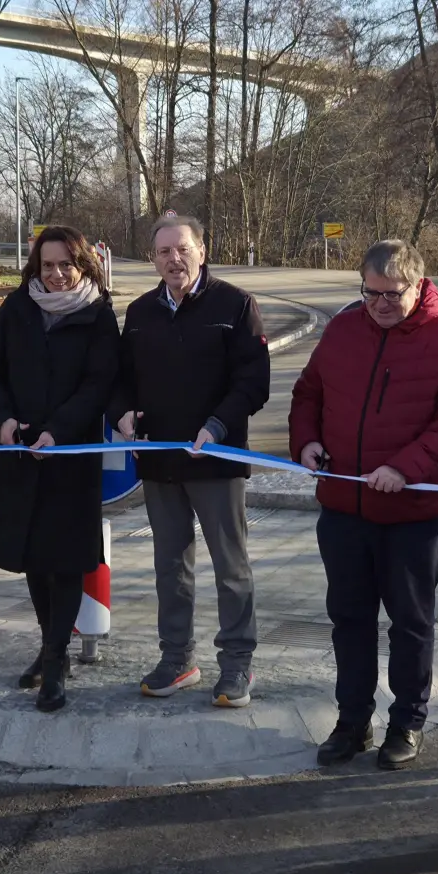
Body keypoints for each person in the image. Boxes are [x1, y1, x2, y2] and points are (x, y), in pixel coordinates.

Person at [290, 239, 438, 771]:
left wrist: (405, 468)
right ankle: (353, 721)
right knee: (349, 619)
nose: (376, 305)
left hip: (411, 516)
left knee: (410, 623)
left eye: (389, 295)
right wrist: (305, 441)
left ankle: (407, 721)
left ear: (418, 286)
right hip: (343, 509)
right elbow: (308, 393)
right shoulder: (343, 330)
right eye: (368, 293)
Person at [110, 215, 269, 705]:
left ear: (202, 249)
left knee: (231, 567)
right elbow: (120, 379)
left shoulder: (236, 306)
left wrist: (216, 427)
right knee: (170, 566)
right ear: (152, 258)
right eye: (163, 253)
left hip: (216, 459)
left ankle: (237, 664)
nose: (173, 260)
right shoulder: (138, 313)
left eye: (182, 249)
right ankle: (177, 658)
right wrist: (123, 415)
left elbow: (253, 383)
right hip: (160, 462)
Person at [0, 225, 119, 712]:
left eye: (65, 265)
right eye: (47, 265)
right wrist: (4, 420)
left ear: (83, 266)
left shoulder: (98, 313)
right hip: (19, 453)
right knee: (33, 557)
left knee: (65, 560)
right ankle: (48, 644)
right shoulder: (19, 308)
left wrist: (59, 430)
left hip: (69, 458)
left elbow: (99, 383)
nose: (56, 274)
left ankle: (56, 662)